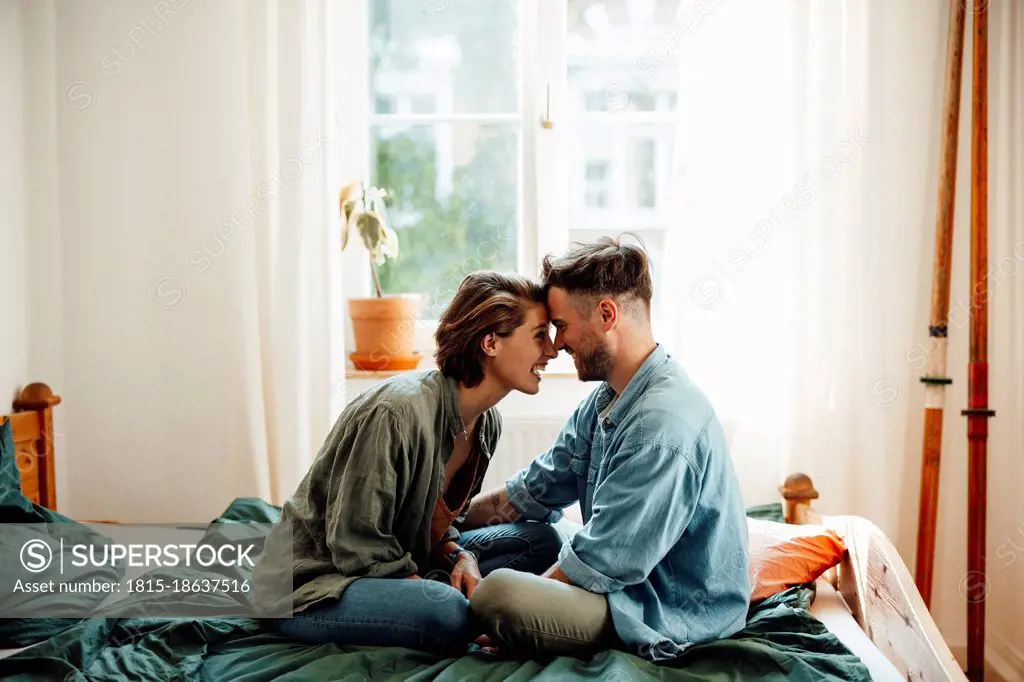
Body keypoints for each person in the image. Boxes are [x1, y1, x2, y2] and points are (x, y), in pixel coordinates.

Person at [462, 237, 751, 661]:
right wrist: (446, 528)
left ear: (606, 315)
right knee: (536, 536)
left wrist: (525, 611)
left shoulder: (662, 425)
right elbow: (534, 489)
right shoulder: (607, 399)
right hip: (620, 583)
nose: (556, 345)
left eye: (560, 326)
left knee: (498, 595)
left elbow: (601, 562)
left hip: (659, 609)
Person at [252, 271, 561, 655]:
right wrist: (440, 593)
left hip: (401, 557)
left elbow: (436, 523)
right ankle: (460, 610)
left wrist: (462, 558)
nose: (552, 350)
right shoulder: (396, 413)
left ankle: (453, 597)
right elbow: (355, 546)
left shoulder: (486, 423)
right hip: (313, 584)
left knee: (542, 540)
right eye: (539, 335)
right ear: (490, 342)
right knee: (447, 612)